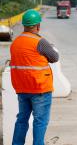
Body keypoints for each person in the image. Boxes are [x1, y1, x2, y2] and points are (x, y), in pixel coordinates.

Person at [10, 9, 59, 145]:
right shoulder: (39, 42)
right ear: (38, 26)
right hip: (40, 89)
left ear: (24, 25)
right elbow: (55, 57)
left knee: (22, 119)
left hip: (22, 89)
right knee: (40, 121)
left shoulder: (15, 42)